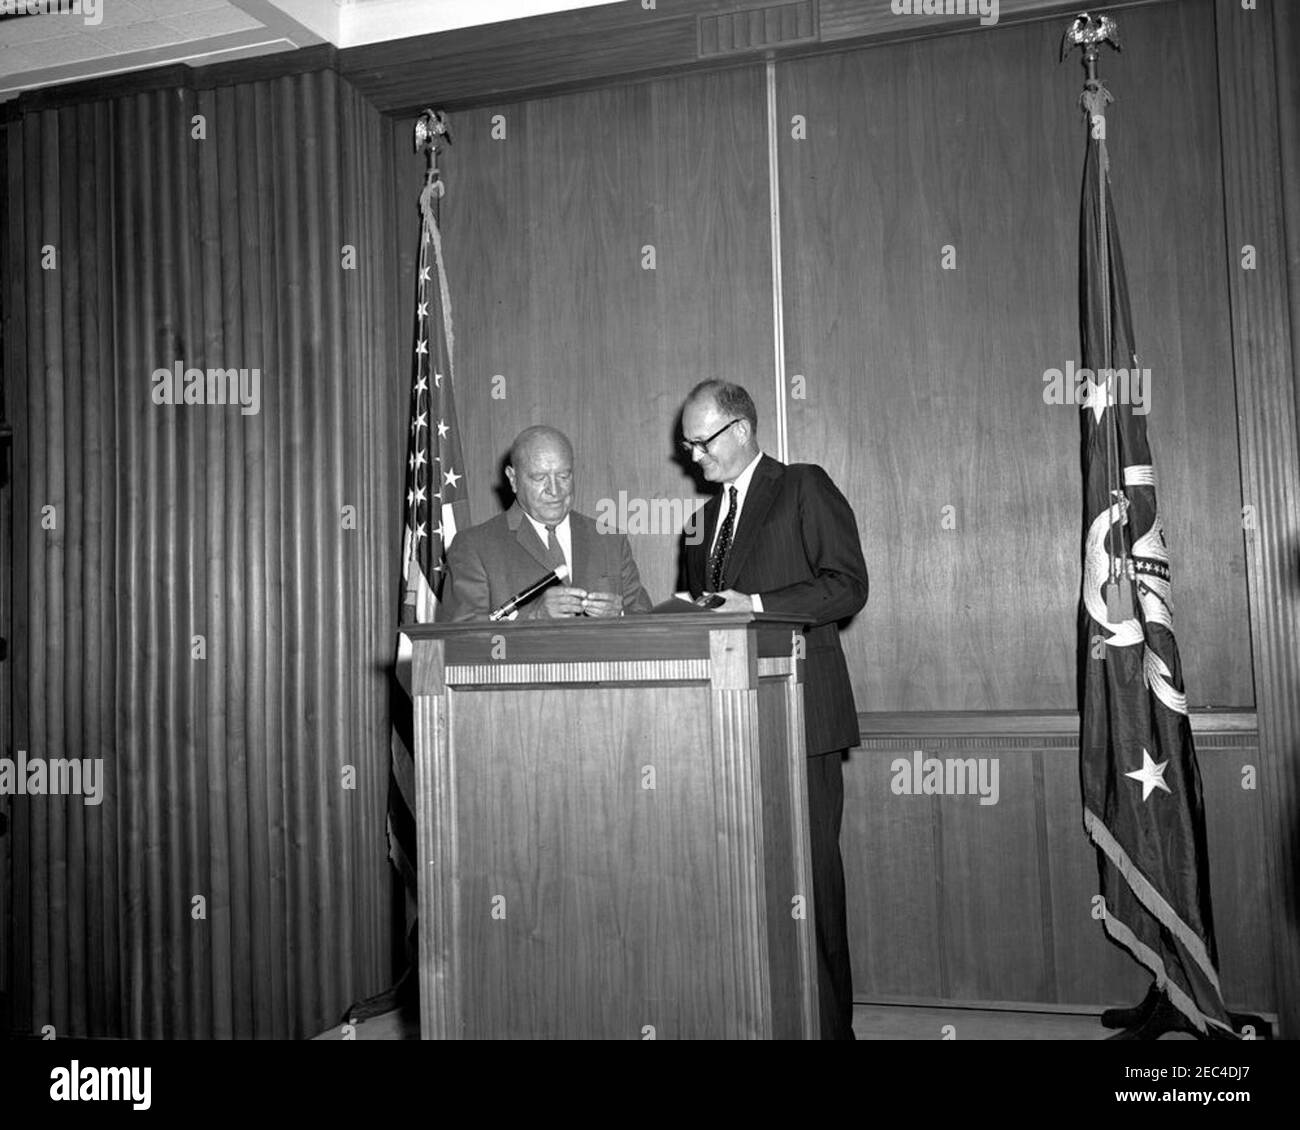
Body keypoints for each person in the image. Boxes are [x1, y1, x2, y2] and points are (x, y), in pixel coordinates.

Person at [679, 380, 869, 1040]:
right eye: (687, 443)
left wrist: (756, 606)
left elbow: (848, 586)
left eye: (699, 441)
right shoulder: (698, 524)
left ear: (739, 431)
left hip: (801, 721)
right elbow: (700, 620)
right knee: (740, 890)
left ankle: (828, 1029)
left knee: (810, 884)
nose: (692, 455)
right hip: (727, 728)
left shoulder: (803, 487)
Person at [437, 425, 653, 621]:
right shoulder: (474, 547)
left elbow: (647, 625)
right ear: (513, 479)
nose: (554, 490)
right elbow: (462, 643)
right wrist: (534, 618)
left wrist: (620, 614)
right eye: (540, 478)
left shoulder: (610, 540)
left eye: (564, 476)